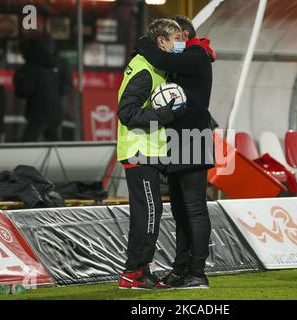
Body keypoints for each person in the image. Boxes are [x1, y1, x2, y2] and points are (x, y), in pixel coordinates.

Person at [136, 15, 216, 289]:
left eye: (172, 38)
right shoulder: (186, 59)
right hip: (177, 139)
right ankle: (181, 270)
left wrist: (144, 44)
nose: (169, 46)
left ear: (182, 36)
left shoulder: (197, 55)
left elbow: (163, 60)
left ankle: (198, 273)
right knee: (181, 211)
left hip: (193, 137)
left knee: (194, 209)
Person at [117, 19, 187, 290]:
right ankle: (134, 272)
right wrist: (165, 114)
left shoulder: (153, 66)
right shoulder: (145, 71)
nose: (179, 45)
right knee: (147, 213)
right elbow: (126, 113)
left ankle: (138, 271)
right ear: (161, 42)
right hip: (139, 151)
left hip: (148, 151)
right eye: (175, 40)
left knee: (149, 212)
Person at [14, 34, 73, 142]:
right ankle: (60, 159)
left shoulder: (33, 67)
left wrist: (19, 78)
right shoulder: (50, 65)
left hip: (39, 111)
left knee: (28, 142)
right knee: (53, 141)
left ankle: (26, 160)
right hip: (54, 110)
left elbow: (23, 91)